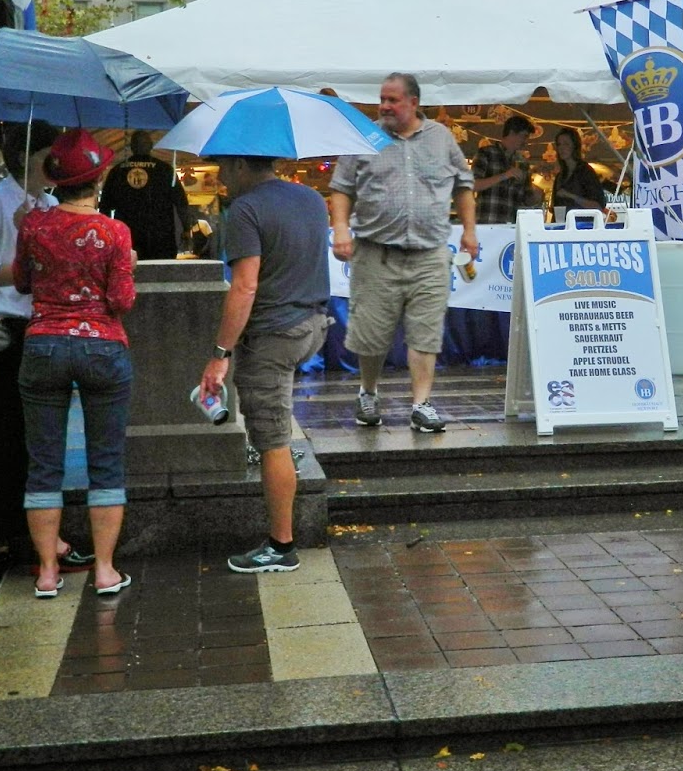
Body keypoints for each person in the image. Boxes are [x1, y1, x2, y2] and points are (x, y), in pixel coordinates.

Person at [0, 122, 92, 576]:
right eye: (51, 154)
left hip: (36, 331)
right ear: (28, 157)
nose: (58, 163)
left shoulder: (51, 205)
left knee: (29, 438)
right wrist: (25, 261)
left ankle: (7, 535)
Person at [15, 129, 137, 599]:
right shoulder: (115, 232)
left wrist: (26, 230)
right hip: (102, 348)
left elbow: (23, 282)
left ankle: (48, 572)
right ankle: (105, 570)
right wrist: (128, 266)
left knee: (43, 464)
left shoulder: (34, 225)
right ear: (99, 179)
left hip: (43, 346)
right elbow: (121, 301)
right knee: (105, 462)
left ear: (56, 180)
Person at [198, 155, 331, 574]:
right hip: (313, 324)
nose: (220, 176)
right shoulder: (312, 199)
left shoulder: (246, 209)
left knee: (272, 440)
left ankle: (281, 546)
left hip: (273, 335)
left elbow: (244, 286)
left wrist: (220, 354)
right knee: (275, 430)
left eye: (222, 167)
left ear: (240, 164)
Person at [329, 73, 477, 433]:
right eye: (382, 99)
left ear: (413, 102)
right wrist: (341, 229)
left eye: (392, 100)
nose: (384, 106)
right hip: (375, 253)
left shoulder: (441, 138)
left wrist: (470, 231)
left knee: (426, 331)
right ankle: (368, 392)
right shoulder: (365, 136)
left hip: (429, 254)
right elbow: (341, 187)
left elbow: (464, 184)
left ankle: (421, 404)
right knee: (371, 333)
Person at [98, 129, 193, 260]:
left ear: (131, 147)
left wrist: (107, 235)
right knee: (161, 271)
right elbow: (181, 203)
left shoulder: (117, 171)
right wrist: (187, 229)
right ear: (151, 146)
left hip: (128, 238)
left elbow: (105, 207)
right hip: (161, 239)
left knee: (128, 272)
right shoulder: (165, 170)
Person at [472, 115, 537, 224]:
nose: (526, 141)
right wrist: (505, 175)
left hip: (512, 227)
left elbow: (527, 201)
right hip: (487, 223)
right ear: (512, 133)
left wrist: (537, 193)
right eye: (524, 136)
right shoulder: (486, 153)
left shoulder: (523, 163)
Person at [550, 126, 606, 219]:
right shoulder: (560, 176)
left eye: (566, 144)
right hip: (563, 225)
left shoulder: (585, 172)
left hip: (583, 225)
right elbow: (555, 208)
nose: (561, 148)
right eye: (559, 144)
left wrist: (570, 196)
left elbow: (598, 206)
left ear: (574, 146)